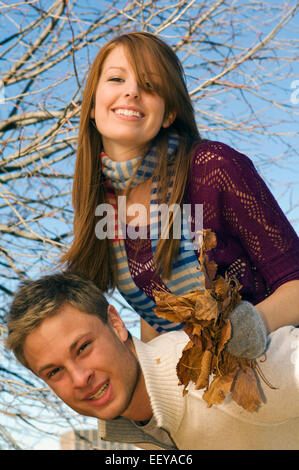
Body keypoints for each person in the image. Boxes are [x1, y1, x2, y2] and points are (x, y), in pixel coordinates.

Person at [61, 31, 299, 357]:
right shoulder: (103, 205)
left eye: (150, 85)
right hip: (201, 393)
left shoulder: (213, 168)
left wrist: (252, 324)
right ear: (91, 106)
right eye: (117, 78)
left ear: (169, 113)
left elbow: (295, 279)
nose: (131, 91)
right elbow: (158, 315)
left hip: (282, 364)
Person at [6, 272, 299, 450]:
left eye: (83, 348)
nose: (80, 378)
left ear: (116, 324)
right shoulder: (134, 430)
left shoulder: (224, 369)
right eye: (55, 371)